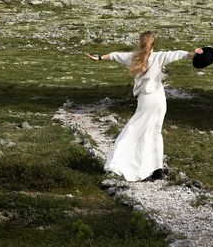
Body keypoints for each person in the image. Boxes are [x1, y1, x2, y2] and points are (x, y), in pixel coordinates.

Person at [85, 30, 202, 182]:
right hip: (159, 100)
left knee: (134, 131)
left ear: (140, 43)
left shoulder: (133, 57)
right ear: (153, 44)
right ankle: (157, 169)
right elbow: (179, 54)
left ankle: (127, 164)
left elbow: (114, 55)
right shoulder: (159, 57)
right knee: (155, 132)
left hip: (146, 100)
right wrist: (193, 53)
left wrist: (99, 57)